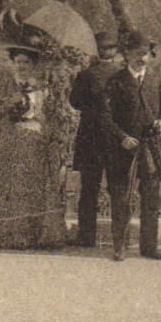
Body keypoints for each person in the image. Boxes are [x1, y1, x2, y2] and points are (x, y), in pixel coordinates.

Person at [0, 44, 70, 250]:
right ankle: (10, 235)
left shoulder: (43, 88)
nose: (21, 66)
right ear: (12, 64)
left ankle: (37, 234)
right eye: (18, 62)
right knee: (13, 188)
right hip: (12, 143)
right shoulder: (4, 86)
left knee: (35, 188)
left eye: (26, 62)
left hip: (36, 144)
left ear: (33, 65)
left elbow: (53, 116)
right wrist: (8, 103)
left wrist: (51, 139)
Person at [102, 30, 161, 261]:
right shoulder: (116, 81)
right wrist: (121, 137)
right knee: (122, 196)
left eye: (146, 54)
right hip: (123, 147)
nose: (142, 58)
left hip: (150, 146)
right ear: (127, 54)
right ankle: (119, 246)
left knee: (151, 195)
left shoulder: (155, 80)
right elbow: (105, 116)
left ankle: (149, 247)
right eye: (138, 54)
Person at [68, 33, 121, 249]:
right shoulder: (123, 74)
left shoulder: (86, 75)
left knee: (89, 189)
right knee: (117, 188)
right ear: (114, 51)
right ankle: (120, 236)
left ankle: (86, 237)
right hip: (115, 138)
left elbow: (75, 102)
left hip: (90, 138)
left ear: (97, 52)